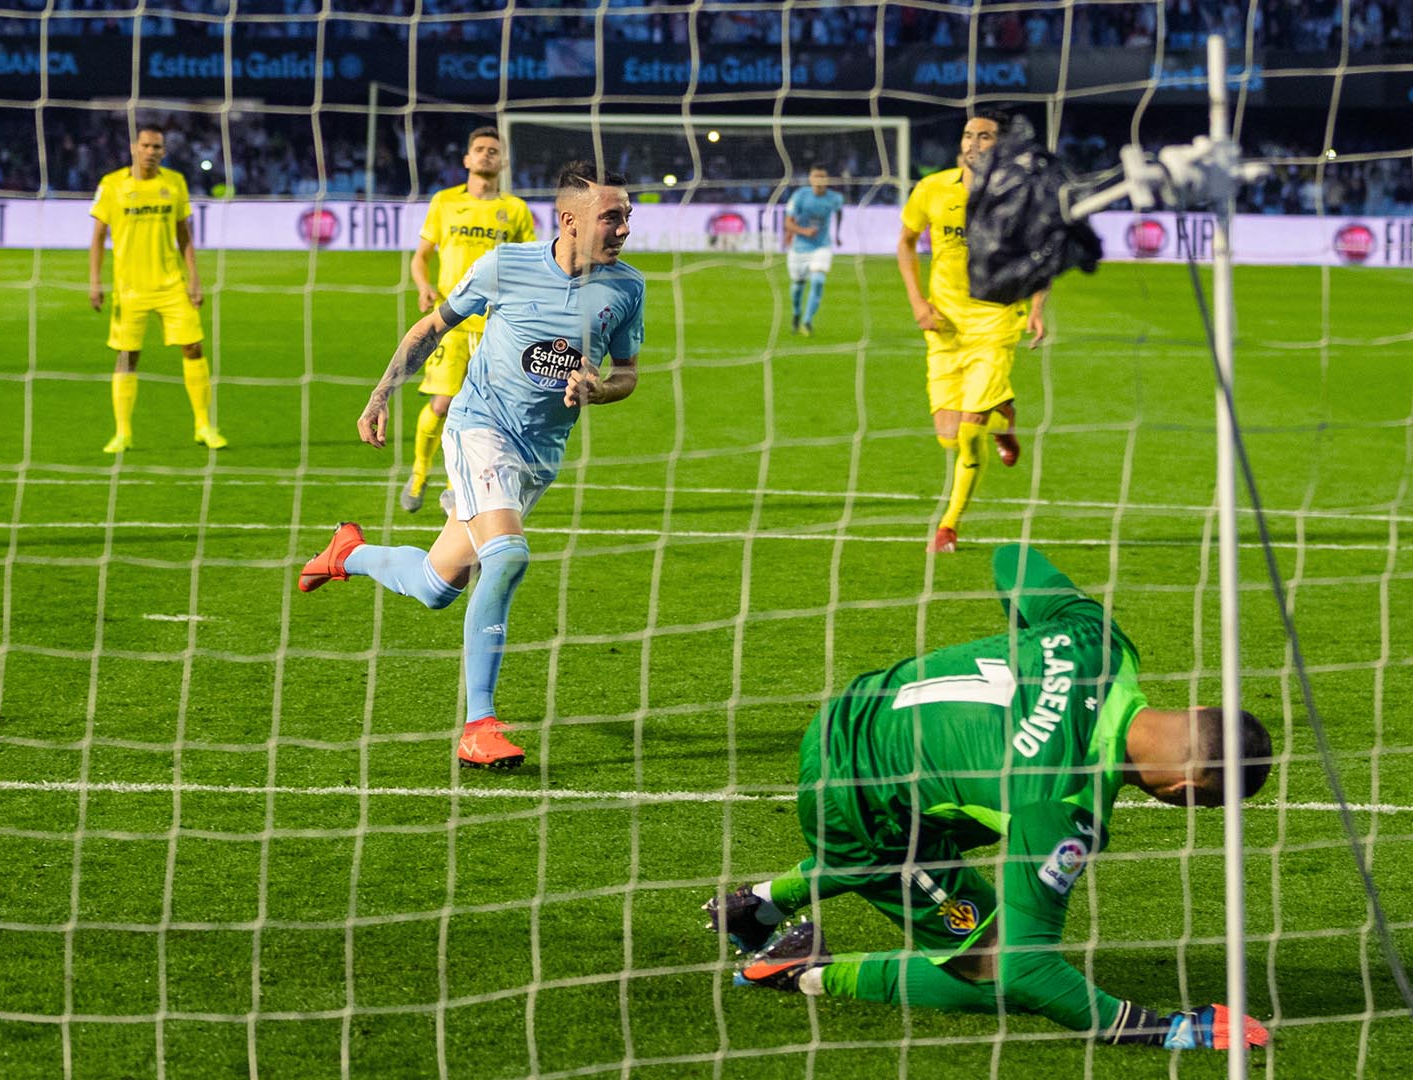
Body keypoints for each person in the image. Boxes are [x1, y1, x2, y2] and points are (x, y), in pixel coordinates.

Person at [704, 544, 1272, 1051]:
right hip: (857, 802)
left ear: (1197, 709)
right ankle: (798, 969)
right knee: (994, 968)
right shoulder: (1063, 807)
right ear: (1184, 792)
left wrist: (1039, 650)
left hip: (853, 711)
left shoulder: (1097, 638)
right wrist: (1159, 1028)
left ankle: (759, 905)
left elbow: (1013, 558)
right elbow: (1027, 969)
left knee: (962, 808)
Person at [297, 161, 645, 770]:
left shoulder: (627, 288)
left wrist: (598, 389)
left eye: (626, 217)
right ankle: (478, 725)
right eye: (611, 217)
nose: (622, 228)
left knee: (437, 586)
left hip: (540, 454)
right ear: (569, 220)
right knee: (507, 556)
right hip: (479, 429)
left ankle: (346, 554)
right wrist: (381, 394)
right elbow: (433, 327)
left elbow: (629, 376)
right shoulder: (504, 267)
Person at [896, 108, 1047, 554]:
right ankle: (1005, 420)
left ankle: (948, 526)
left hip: (997, 321)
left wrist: (1037, 307)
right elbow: (905, 243)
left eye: (984, 136)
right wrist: (918, 303)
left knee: (967, 430)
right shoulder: (932, 188)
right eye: (968, 134)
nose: (973, 142)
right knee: (948, 435)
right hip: (944, 327)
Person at [402, 125, 538, 512]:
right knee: (443, 403)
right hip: (450, 319)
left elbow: (529, 263)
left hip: (496, 324)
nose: (485, 155)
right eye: (479, 149)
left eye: (493, 151)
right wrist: (423, 285)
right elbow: (421, 255)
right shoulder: (444, 202)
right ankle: (418, 472)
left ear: (503, 161)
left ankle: (455, 486)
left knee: (483, 410)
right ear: (466, 158)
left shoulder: (515, 210)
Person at [88, 123, 223, 453]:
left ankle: (203, 425)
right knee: (127, 356)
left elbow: (184, 235)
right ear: (134, 147)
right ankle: (123, 433)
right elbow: (97, 237)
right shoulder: (112, 185)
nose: (151, 152)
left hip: (171, 285)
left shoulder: (174, 183)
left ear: (164, 151)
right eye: (146, 145)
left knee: (193, 347)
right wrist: (95, 280)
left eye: (157, 147)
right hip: (129, 288)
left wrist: (194, 277)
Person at [784, 164, 844, 337]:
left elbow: (839, 213)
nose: (819, 180)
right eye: (816, 177)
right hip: (799, 248)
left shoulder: (834, 198)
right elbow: (788, 223)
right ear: (810, 179)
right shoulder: (800, 196)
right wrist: (803, 232)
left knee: (818, 281)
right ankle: (796, 314)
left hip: (822, 246)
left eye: (822, 177)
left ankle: (807, 321)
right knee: (797, 288)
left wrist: (838, 234)